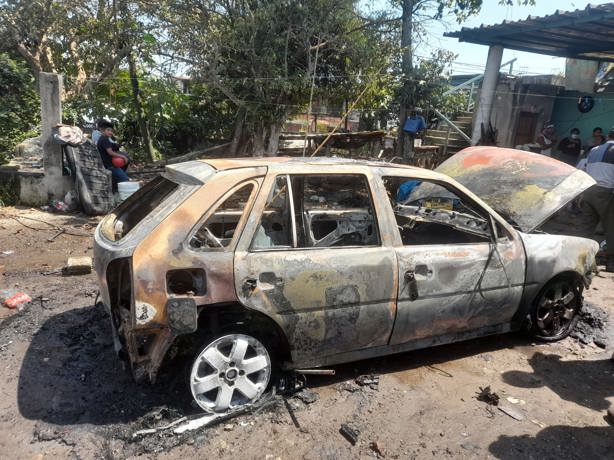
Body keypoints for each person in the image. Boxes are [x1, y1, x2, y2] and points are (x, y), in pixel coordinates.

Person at [576, 128, 614, 272]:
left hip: (589, 190)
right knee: (611, 227)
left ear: (608, 136)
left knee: (586, 227)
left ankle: (581, 259)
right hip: (607, 192)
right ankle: (611, 262)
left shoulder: (594, 150)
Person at [96, 120, 130, 186]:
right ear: (102, 130)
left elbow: (112, 145)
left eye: (111, 131)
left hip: (109, 164)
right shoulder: (104, 139)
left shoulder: (103, 138)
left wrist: (118, 145)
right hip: (109, 165)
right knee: (125, 179)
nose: (110, 132)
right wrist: (123, 157)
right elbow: (110, 152)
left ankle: (116, 186)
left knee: (121, 175)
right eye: (108, 130)